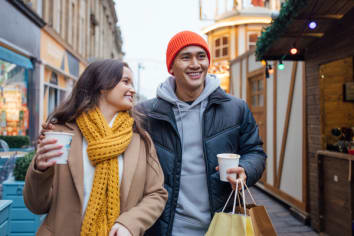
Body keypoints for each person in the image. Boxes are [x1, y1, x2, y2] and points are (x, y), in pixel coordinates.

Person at [137, 31, 267, 236]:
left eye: (201, 56)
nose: (195, 64)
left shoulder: (236, 108)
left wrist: (245, 169)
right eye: (185, 57)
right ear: (171, 67)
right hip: (167, 227)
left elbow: (255, 152)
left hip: (224, 225)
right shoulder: (146, 114)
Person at [23, 59, 168, 236]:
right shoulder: (61, 133)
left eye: (132, 83)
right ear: (102, 85)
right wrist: (40, 169)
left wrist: (130, 224)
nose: (132, 89)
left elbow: (156, 194)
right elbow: (36, 205)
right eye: (125, 81)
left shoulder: (140, 140)